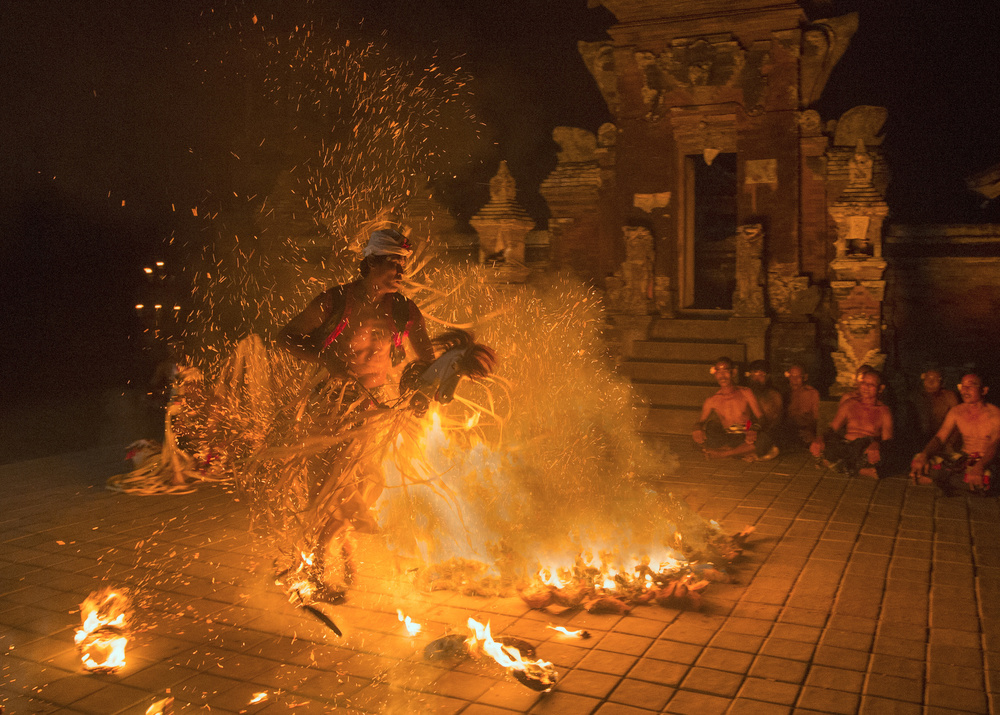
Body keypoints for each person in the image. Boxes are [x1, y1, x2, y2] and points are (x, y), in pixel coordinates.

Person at [275, 228, 436, 598]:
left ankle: (337, 556)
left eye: (403, 264)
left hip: (375, 410)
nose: (400, 271)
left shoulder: (403, 309)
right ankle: (316, 571)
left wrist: (426, 385)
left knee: (365, 489)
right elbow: (285, 336)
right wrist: (325, 359)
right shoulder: (336, 301)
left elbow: (426, 360)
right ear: (370, 263)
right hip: (329, 406)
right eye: (393, 263)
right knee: (329, 491)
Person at [909, 373, 1000, 493]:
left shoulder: (995, 414)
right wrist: (925, 454)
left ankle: (948, 481)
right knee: (919, 459)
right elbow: (940, 437)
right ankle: (955, 481)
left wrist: (980, 466)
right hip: (964, 459)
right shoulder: (957, 412)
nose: (965, 390)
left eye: (971, 386)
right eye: (962, 386)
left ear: (984, 390)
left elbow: (995, 445)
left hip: (987, 461)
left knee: (987, 479)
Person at [811, 368, 892, 478]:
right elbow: (833, 428)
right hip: (846, 446)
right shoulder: (849, 404)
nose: (866, 387)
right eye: (864, 383)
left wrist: (877, 444)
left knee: (881, 456)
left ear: (880, 388)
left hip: (864, 449)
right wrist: (819, 439)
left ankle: (836, 466)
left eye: (871, 384)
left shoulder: (883, 411)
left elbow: (887, 440)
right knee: (822, 448)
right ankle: (860, 471)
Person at [693, 357, 775, 460]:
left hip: (745, 436)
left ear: (734, 372)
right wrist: (697, 429)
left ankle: (723, 454)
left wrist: (754, 429)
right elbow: (701, 422)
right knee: (697, 438)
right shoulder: (712, 400)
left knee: (765, 438)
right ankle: (740, 452)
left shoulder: (746, 392)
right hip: (727, 437)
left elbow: (761, 418)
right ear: (715, 374)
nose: (722, 376)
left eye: (725, 371)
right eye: (718, 371)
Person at [908, 368, 959, 449]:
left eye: (935, 379)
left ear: (942, 382)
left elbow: (958, 422)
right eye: (928, 378)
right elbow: (911, 426)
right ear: (923, 381)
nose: (931, 382)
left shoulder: (949, 396)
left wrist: (950, 443)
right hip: (922, 441)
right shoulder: (915, 398)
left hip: (946, 440)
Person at [781, 364, 820, 449]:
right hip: (788, 430)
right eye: (792, 376)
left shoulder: (812, 393)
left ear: (805, 377)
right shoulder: (784, 393)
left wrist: (810, 431)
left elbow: (816, 417)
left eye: (798, 376)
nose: (794, 379)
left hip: (806, 429)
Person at [746, 360, 783, 436]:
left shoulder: (774, 395)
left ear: (767, 376)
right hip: (747, 434)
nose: (756, 378)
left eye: (761, 375)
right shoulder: (745, 394)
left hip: (767, 436)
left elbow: (777, 421)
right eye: (754, 374)